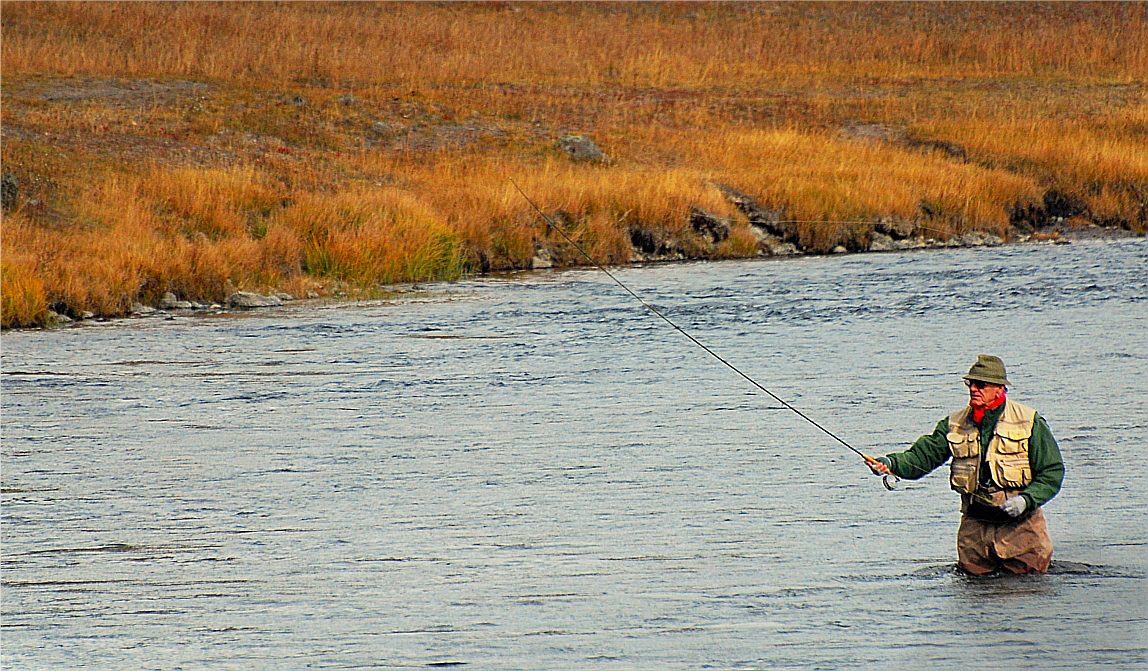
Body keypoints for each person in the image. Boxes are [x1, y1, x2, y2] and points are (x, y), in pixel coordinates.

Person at [870, 355, 1064, 574]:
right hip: (974, 532)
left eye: (981, 384)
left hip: (1021, 528)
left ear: (1000, 389)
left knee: (1026, 593)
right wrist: (890, 463)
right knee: (972, 593)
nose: (973, 389)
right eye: (970, 383)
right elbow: (922, 458)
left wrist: (1026, 500)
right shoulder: (954, 424)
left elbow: (1052, 472)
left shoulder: (1030, 422)